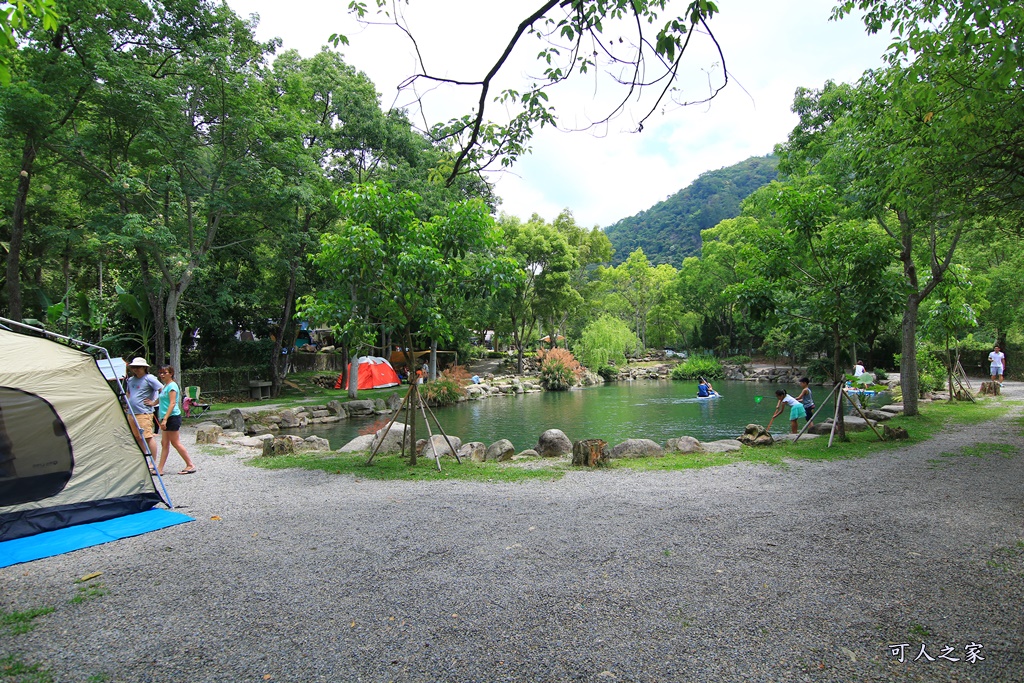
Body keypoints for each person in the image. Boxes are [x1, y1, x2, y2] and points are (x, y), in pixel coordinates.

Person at [155, 365, 196, 476]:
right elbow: (162, 399)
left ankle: (190, 465)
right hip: (165, 417)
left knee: (175, 442)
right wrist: (152, 403)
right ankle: (160, 468)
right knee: (164, 443)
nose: (162, 375)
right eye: (161, 373)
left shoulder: (172, 386)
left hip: (172, 417)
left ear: (171, 373)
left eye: (165, 372)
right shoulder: (165, 386)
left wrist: (165, 419)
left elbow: (172, 403)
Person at [125, 357, 162, 468]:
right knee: (137, 437)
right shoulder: (131, 380)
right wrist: (128, 402)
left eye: (138, 367)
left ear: (144, 368)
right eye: (134, 367)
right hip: (131, 413)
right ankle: (144, 459)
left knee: (147, 436)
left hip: (144, 413)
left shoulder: (149, 378)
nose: (136, 369)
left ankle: (153, 462)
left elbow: (163, 389)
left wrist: (154, 402)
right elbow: (128, 392)